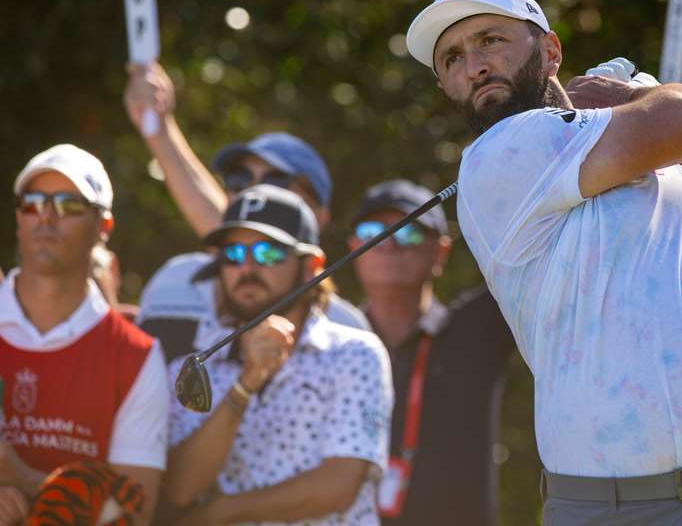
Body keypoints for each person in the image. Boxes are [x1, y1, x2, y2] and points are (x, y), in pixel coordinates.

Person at [404, 0, 682, 524]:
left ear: (550, 52)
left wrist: (657, 127)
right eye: (452, 58)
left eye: (490, 40)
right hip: (620, 511)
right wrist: (639, 100)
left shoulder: (659, 174)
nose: (474, 65)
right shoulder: (498, 155)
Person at [164, 184, 392, 524]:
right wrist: (245, 385)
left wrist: (218, 512)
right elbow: (180, 488)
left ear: (312, 265)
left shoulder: (357, 355)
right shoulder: (195, 367)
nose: (247, 269)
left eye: (268, 253)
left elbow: (340, 485)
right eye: (233, 254)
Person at [123, 63, 368, 362]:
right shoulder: (172, 282)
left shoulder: (346, 331)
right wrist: (158, 126)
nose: (253, 193)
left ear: (320, 214)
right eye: (239, 180)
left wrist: (162, 131)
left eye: (276, 181)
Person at [0, 144, 168, 525]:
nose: (46, 217)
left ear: (104, 227)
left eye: (67, 205)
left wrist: (25, 478)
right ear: (18, 218)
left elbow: (134, 514)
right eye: (33, 203)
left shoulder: (135, 355)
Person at [348, 180, 515, 526]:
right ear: (354, 248)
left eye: (408, 233)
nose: (388, 244)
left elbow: (532, 246)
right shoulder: (334, 339)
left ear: (440, 252)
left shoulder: (478, 330)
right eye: (372, 232)